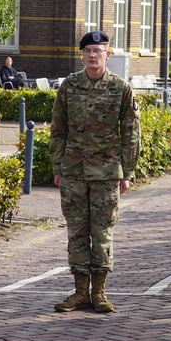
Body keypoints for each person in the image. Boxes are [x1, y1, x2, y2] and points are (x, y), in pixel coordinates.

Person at [50, 31, 140, 314]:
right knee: (77, 232)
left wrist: (127, 171)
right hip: (74, 170)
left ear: (107, 55)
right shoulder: (69, 86)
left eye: (98, 51)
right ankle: (79, 292)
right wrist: (57, 166)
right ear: (82, 54)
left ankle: (99, 292)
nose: (92, 55)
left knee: (102, 233)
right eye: (87, 50)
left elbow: (131, 132)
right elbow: (58, 130)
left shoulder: (121, 88)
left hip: (107, 172)